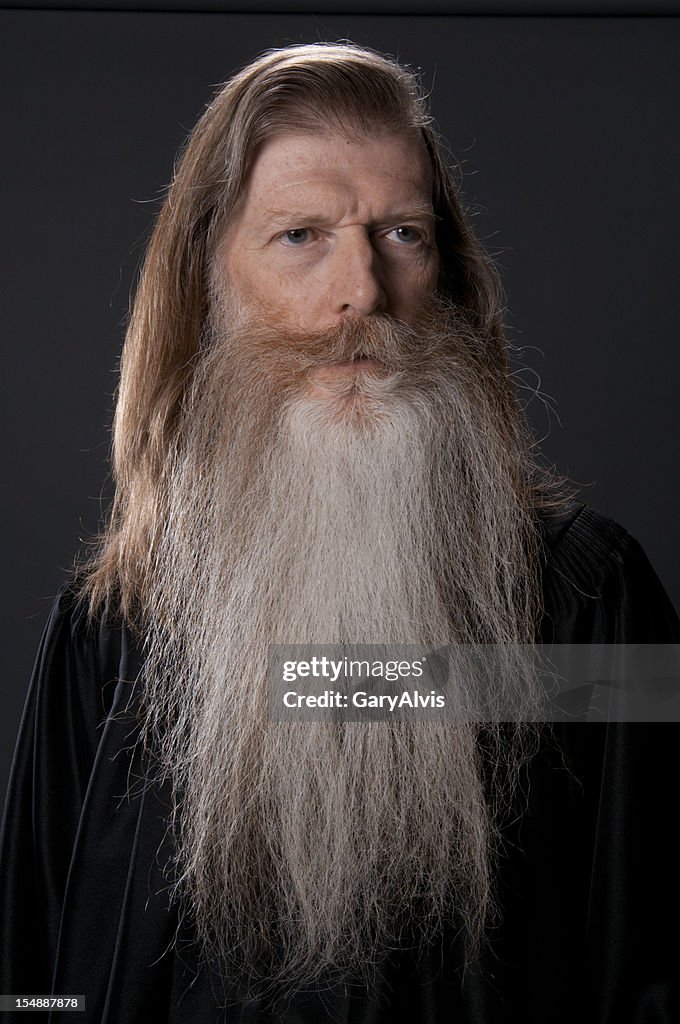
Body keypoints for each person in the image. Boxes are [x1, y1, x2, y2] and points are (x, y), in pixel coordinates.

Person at [1, 41, 679, 1023]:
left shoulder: (590, 601)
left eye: (401, 233)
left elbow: (655, 976)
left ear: (446, 272)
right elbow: (32, 979)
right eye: (300, 236)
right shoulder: (111, 623)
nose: (360, 289)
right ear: (208, 279)